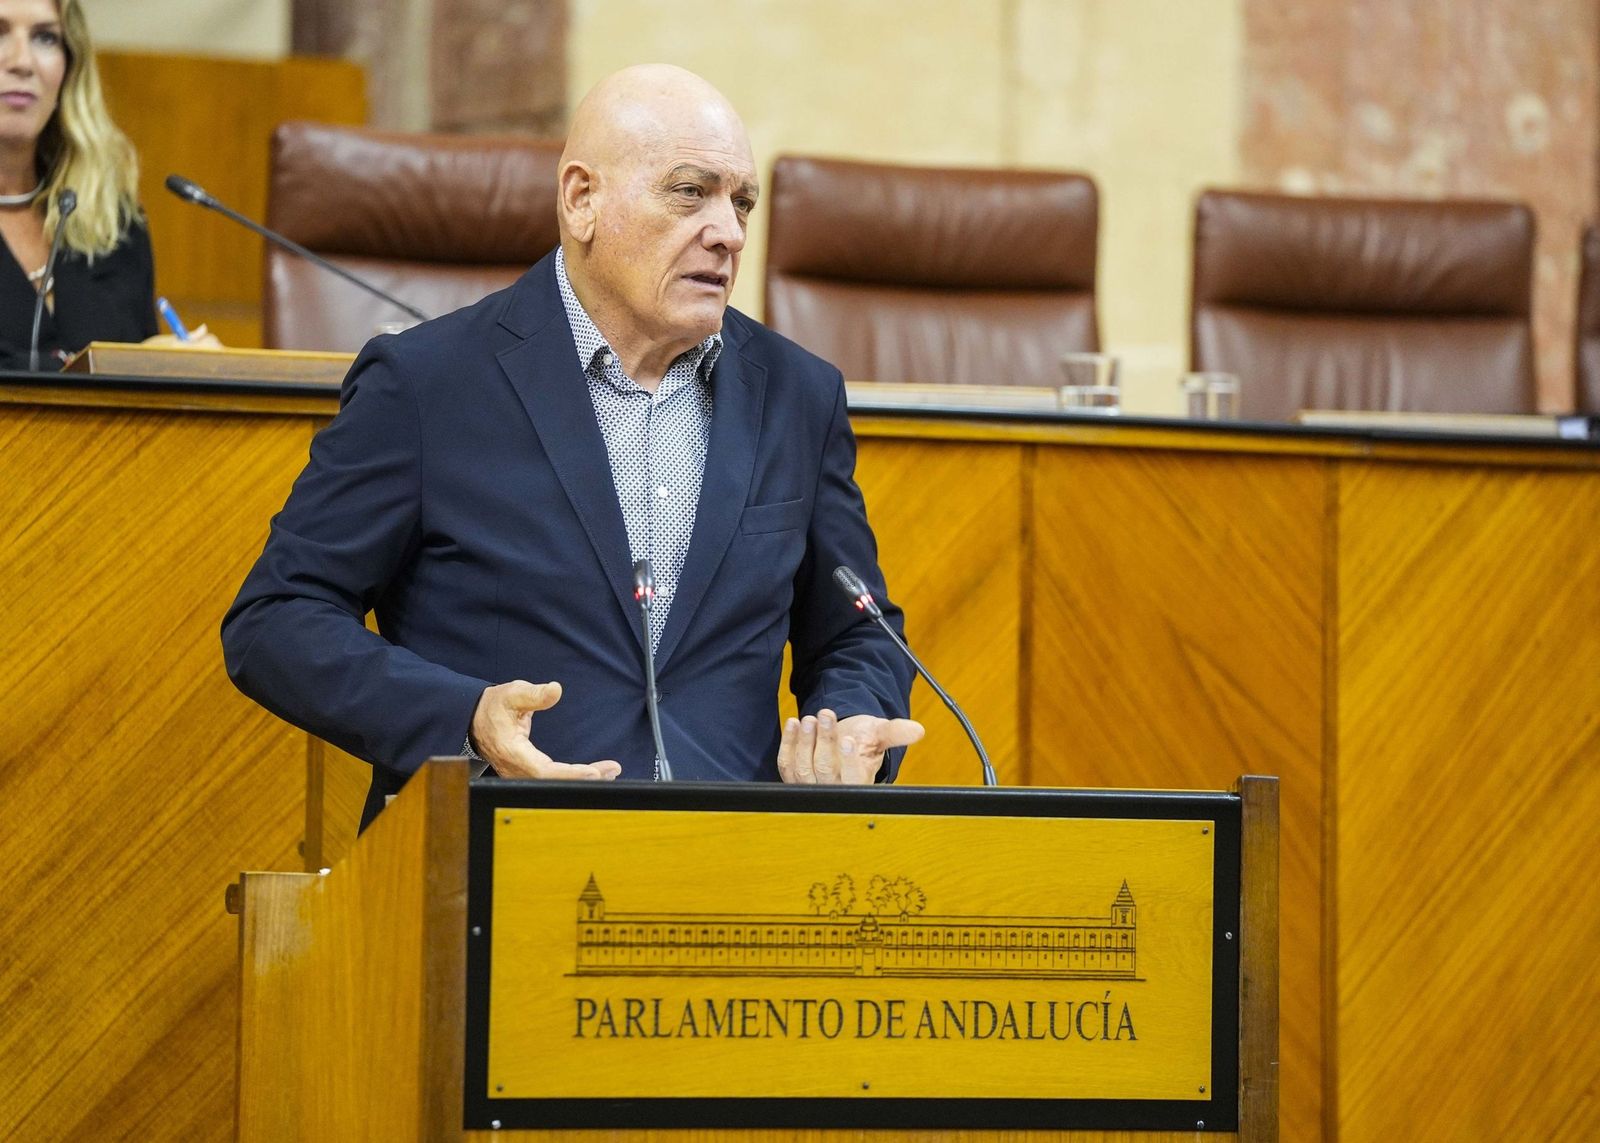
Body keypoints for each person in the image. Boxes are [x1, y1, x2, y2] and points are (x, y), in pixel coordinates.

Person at [222, 64, 923, 828]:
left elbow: (860, 631)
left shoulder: (796, 393)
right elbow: (277, 618)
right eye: (691, 191)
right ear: (582, 199)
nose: (728, 231)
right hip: (491, 855)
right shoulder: (427, 383)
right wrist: (466, 717)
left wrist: (852, 722)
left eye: (741, 201)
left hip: (732, 865)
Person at [0, 0, 212, 370]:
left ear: (70, 65)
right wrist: (136, 365)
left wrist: (179, 366)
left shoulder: (110, 220)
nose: (22, 61)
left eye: (46, 37)